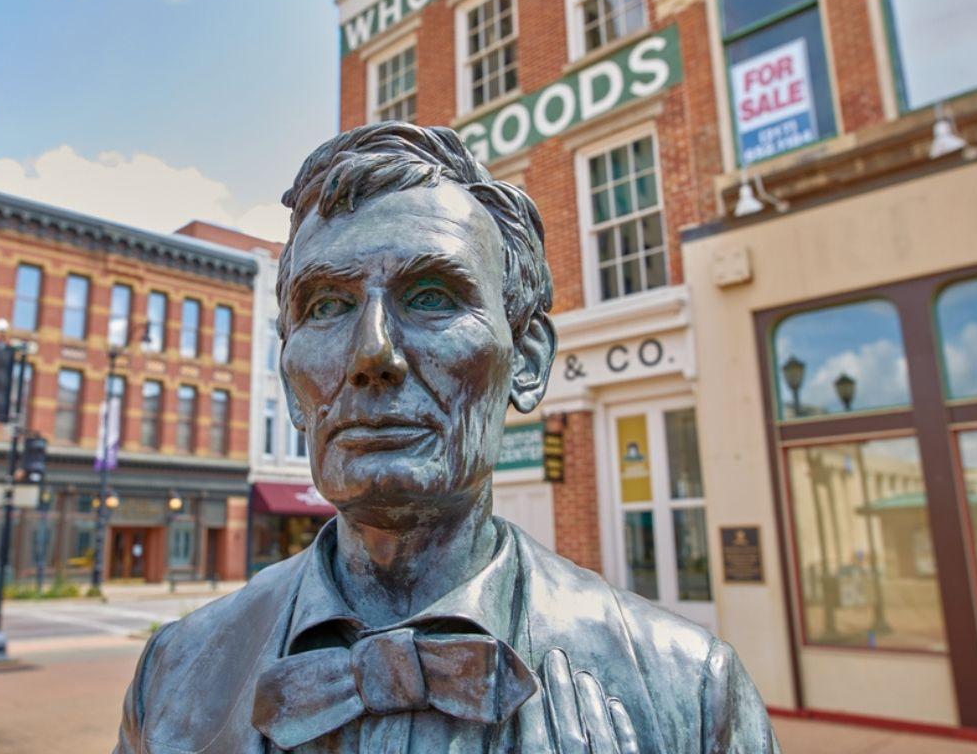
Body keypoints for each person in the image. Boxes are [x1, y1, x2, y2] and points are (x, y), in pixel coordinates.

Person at [115, 123, 780, 753]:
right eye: (326, 307)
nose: (371, 352)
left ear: (525, 359)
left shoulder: (692, 694)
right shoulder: (174, 675)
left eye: (431, 296)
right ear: (290, 382)